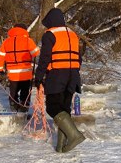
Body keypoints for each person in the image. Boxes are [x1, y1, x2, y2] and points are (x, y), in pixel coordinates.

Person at [33, 8, 85, 153]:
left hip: (57, 75)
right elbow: (78, 57)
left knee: (52, 107)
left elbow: (45, 58)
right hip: (73, 75)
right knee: (64, 108)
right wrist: (73, 70)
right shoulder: (73, 34)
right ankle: (61, 145)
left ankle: (74, 136)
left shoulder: (50, 34)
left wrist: (38, 77)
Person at [0, 24, 40, 112]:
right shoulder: (28, 40)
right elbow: (36, 53)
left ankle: (13, 104)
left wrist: (0, 69)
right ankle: (24, 106)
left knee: (13, 90)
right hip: (25, 72)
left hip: (12, 72)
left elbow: (1, 56)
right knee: (25, 90)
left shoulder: (6, 41)